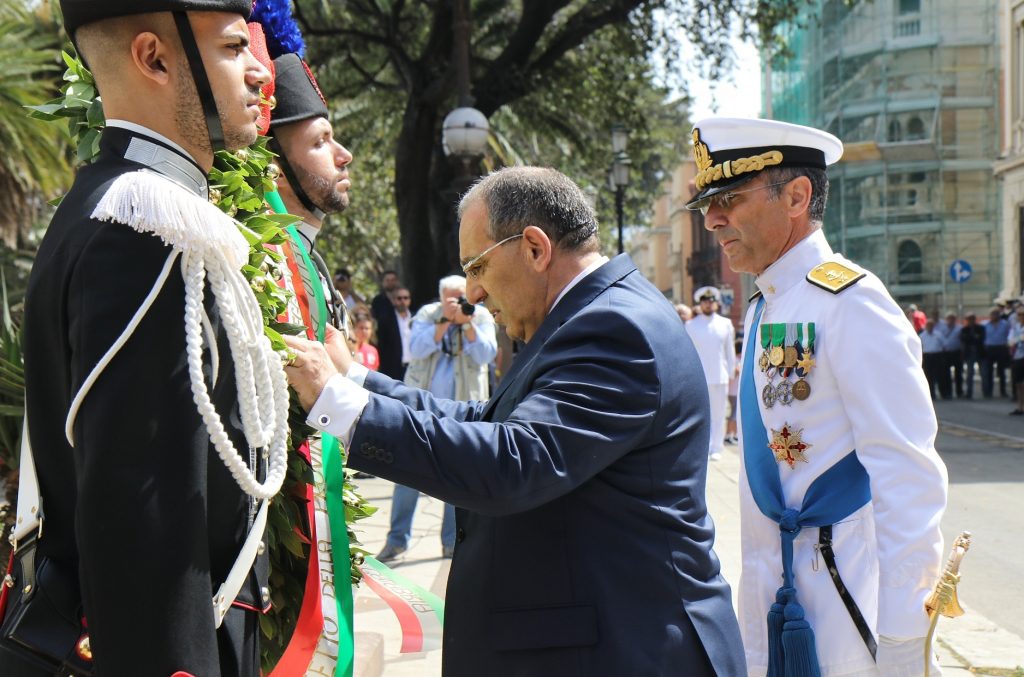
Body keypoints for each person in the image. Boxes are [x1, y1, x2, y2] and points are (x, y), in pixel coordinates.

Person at [282, 166, 745, 675]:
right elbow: (488, 421)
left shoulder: (613, 327)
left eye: (477, 267)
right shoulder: (589, 316)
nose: (473, 293)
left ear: (534, 248)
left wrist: (340, 403)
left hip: (625, 653)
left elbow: (513, 462)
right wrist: (354, 380)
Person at [16, 2, 280, 674]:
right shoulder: (142, 230)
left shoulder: (131, 209)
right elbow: (144, 531)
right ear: (154, 58)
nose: (259, 71)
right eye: (233, 48)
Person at [689, 117, 947, 676]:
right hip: (773, 596)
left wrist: (904, 632)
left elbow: (906, 471)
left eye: (730, 198)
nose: (712, 219)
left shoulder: (851, 301)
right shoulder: (766, 303)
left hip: (842, 602)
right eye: (709, 203)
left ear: (797, 197)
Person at [376, 275, 498, 563]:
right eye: (452, 298)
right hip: (421, 410)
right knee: (405, 472)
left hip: (462, 411)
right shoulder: (427, 314)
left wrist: (467, 324)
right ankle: (396, 541)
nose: (458, 303)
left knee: (455, 475)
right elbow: (415, 350)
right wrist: (443, 321)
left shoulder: (479, 315)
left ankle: (451, 543)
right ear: (441, 298)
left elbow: (487, 355)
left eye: (462, 297)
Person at [687, 286, 736, 460]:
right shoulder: (690, 325)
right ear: (700, 304)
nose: (708, 304)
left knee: (719, 413)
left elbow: (729, 350)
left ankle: (717, 447)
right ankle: (705, 446)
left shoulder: (725, 323)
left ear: (716, 303)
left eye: (711, 301)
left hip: (719, 375)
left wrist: (731, 372)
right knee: (702, 414)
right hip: (699, 377)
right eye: (705, 301)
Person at [374, 284, 413, 380]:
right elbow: (381, 345)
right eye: (399, 298)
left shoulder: (417, 318)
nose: (403, 301)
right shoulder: (385, 320)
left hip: (414, 368)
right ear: (393, 301)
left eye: (406, 298)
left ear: (409, 300)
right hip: (393, 369)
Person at [982, 308, 1011, 398]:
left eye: (996, 314)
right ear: (990, 315)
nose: (994, 316)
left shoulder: (1005, 324)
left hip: (1001, 348)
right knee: (989, 371)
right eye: (993, 314)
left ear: (999, 315)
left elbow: (1009, 335)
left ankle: (1003, 391)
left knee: (1001, 371)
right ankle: (988, 391)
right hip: (989, 348)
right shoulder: (984, 324)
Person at [961, 312, 986, 399]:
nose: (971, 321)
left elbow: (981, 338)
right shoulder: (964, 329)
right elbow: (964, 339)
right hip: (969, 353)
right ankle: (969, 392)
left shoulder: (980, 328)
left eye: (972, 319)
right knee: (969, 373)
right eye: (969, 319)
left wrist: (973, 338)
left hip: (980, 352)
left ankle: (985, 391)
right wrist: (974, 337)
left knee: (983, 373)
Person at [920, 318, 946, 399]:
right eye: (928, 325)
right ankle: (931, 394)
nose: (930, 327)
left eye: (931, 325)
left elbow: (944, 344)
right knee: (929, 376)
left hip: (937, 355)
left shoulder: (938, 334)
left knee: (940, 375)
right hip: (927, 356)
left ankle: (943, 393)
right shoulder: (922, 335)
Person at [939, 311, 963, 398]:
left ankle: (959, 392)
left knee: (958, 373)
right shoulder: (942, 329)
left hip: (956, 352)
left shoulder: (959, 328)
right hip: (946, 353)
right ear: (946, 320)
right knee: (946, 374)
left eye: (952, 319)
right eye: (949, 319)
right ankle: (948, 392)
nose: (951, 320)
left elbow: (962, 340)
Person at [1009, 307, 1024, 415]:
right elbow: (1010, 341)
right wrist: (1017, 339)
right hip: (1018, 356)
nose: (1021, 316)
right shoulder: (1015, 328)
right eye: (1019, 314)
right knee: (1018, 383)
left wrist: (1017, 339)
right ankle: (1020, 406)